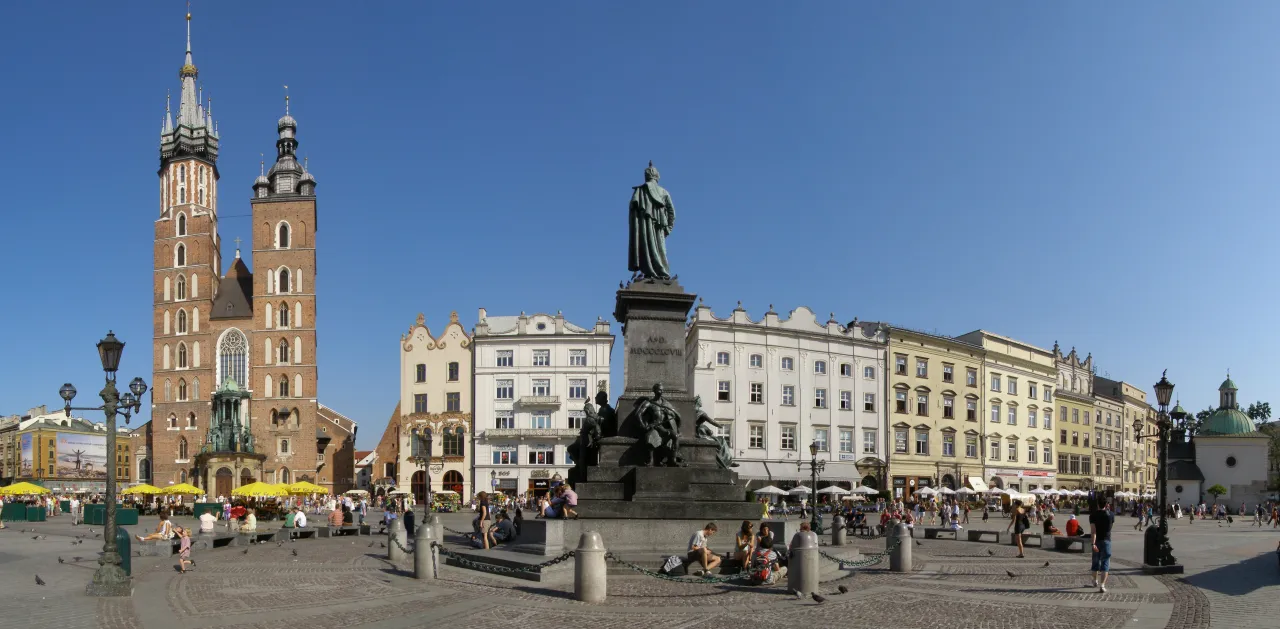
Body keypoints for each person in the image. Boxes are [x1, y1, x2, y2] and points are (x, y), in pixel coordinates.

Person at [1089, 499, 1115, 593]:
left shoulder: (1093, 515)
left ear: (1098, 504)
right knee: (1105, 563)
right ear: (1106, 504)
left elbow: (1093, 531)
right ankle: (1102, 585)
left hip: (1097, 541)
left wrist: (1093, 543)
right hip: (1107, 540)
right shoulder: (1111, 515)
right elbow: (1110, 527)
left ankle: (1095, 581)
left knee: (1095, 562)